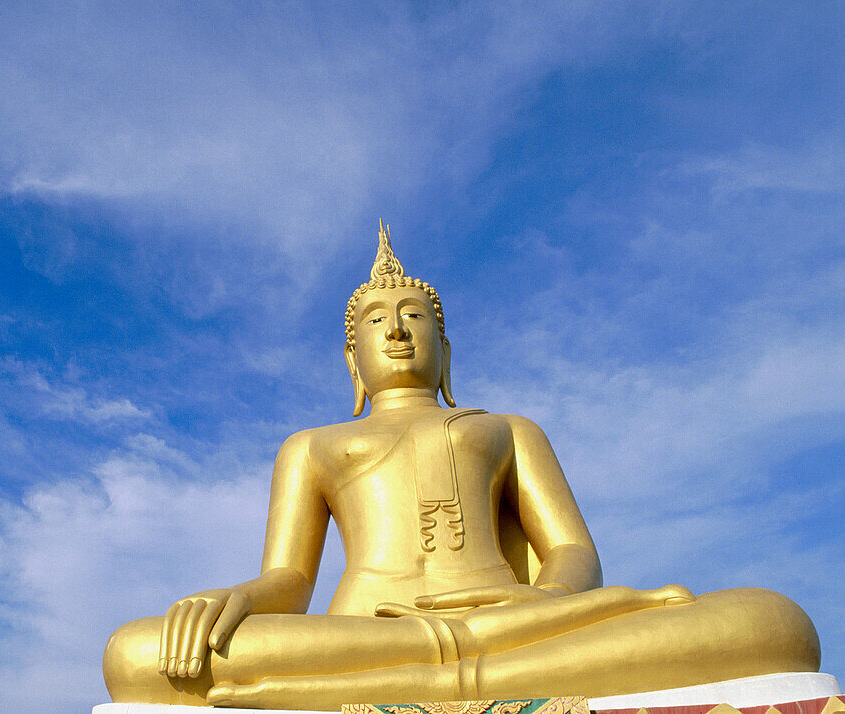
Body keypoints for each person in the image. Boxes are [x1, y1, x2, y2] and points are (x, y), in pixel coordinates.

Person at [103, 222, 819, 710]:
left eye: (415, 316)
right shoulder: (313, 446)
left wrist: (543, 601)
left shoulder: (507, 430)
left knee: (773, 622)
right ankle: (460, 679)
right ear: (350, 359)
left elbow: (571, 552)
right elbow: (291, 581)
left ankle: (433, 683)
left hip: (516, 625)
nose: (395, 328)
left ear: (446, 348)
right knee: (139, 654)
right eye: (375, 321)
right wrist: (235, 600)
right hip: (372, 633)